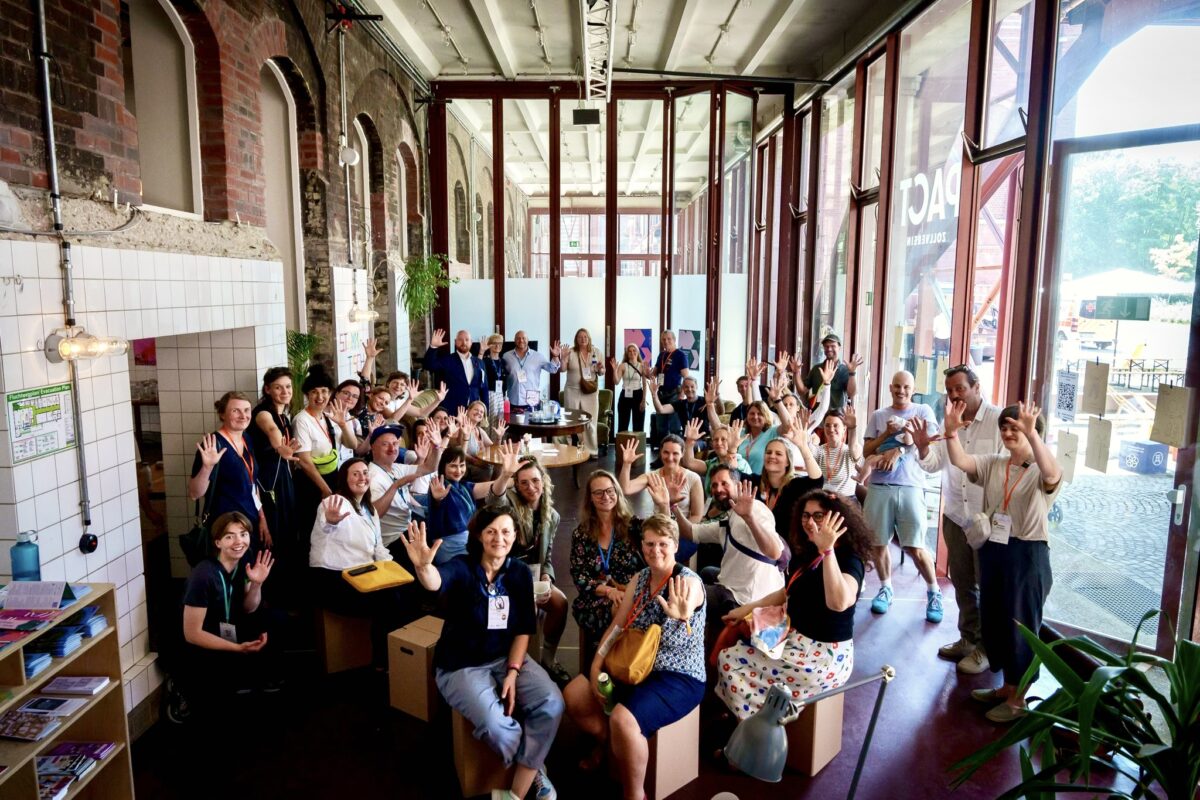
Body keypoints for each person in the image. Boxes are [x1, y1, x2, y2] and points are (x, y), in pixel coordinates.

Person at [402, 508, 565, 800]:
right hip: (460, 665)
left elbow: (523, 629)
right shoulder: (463, 567)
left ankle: (516, 790)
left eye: (506, 531)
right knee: (498, 728)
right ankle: (535, 767)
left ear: (515, 536)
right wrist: (424, 568)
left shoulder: (517, 573)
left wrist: (514, 671)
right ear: (479, 535)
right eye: (491, 531)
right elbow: (437, 580)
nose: (498, 538)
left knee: (552, 702)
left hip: (506, 657)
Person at [563, 513, 706, 800]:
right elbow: (617, 626)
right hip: (635, 664)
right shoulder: (640, 579)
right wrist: (596, 663)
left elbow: (688, 604)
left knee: (623, 719)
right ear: (642, 547)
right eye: (650, 544)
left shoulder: (687, 583)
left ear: (676, 546)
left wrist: (683, 614)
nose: (656, 551)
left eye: (663, 544)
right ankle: (608, 744)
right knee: (574, 694)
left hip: (676, 675)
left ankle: (634, 793)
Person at [938, 400, 1061, 724]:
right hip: (994, 549)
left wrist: (1034, 436)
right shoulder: (995, 463)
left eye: (1014, 427)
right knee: (995, 621)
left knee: (1022, 626)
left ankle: (1020, 700)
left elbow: (1051, 474)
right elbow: (961, 461)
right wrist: (950, 432)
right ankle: (1007, 687)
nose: (1007, 432)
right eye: (1004, 427)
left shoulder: (1041, 468)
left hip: (1027, 555)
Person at [714, 491, 870, 721]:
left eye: (819, 516)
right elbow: (786, 592)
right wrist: (745, 609)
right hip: (796, 639)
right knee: (737, 639)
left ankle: (752, 732)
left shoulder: (848, 558)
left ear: (836, 520)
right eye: (806, 515)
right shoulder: (807, 551)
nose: (809, 522)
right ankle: (752, 718)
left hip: (823, 658)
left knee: (729, 661)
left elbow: (839, 603)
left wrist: (828, 551)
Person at [913, 365, 1003, 675]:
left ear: (977, 387)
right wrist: (924, 446)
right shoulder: (948, 421)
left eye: (959, 389)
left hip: (987, 521)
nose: (953, 395)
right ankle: (968, 639)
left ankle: (987, 648)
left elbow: (1007, 471)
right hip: (955, 516)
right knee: (963, 583)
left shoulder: (998, 421)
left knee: (989, 588)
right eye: (949, 390)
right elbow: (934, 464)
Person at [653, 466, 784, 652]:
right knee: (706, 571)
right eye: (714, 485)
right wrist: (673, 506)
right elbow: (691, 532)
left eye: (724, 483)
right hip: (736, 584)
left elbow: (774, 552)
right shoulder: (728, 519)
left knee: (683, 589)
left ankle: (685, 645)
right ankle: (709, 635)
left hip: (745, 597)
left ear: (738, 486)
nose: (718, 489)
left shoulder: (756, 510)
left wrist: (749, 518)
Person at [309, 458, 413, 664]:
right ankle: (383, 660)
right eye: (355, 474)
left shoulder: (369, 509)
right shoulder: (333, 503)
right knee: (388, 602)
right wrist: (330, 521)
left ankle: (396, 655)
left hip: (364, 575)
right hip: (332, 579)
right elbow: (326, 525)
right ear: (344, 479)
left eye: (365, 473)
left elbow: (379, 547)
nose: (362, 478)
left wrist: (395, 572)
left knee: (403, 591)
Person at [862, 370, 943, 623]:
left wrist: (897, 450)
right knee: (878, 544)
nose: (901, 391)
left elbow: (927, 443)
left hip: (911, 487)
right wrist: (885, 435)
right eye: (897, 386)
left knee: (916, 547)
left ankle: (934, 591)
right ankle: (886, 588)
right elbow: (866, 451)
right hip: (879, 487)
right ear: (890, 387)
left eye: (906, 387)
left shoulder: (923, 412)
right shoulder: (878, 415)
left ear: (913, 388)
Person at [181, 511, 277, 703]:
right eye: (229, 536)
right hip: (201, 643)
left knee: (273, 619)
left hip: (225, 631)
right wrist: (237, 648)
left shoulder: (243, 562)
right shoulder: (204, 575)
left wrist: (257, 583)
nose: (238, 541)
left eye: (243, 534)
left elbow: (249, 608)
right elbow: (192, 634)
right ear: (218, 543)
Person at [499, 458, 571, 685]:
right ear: (516, 486)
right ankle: (522, 665)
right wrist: (504, 477)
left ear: (544, 481)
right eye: (524, 483)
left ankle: (547, 659)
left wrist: (547, 577)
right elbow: (495, 497)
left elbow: (547, 556)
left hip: (533, 574)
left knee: (560, 603)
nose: (531, 487)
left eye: (535, 481)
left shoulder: (552, 516)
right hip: (506, 575)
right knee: (528, 607)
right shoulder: (509, 506)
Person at [568, 471, 646, 667]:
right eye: (599, 493)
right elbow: (580, 577)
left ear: (618, 493)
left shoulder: (633, 526)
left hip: (631, 592)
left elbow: (662, 533)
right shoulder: (582, 533)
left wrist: (663, 505)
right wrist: (609, 591)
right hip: (595, 597)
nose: (605, 497)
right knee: (618, 608)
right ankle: (613, 662)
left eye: (610, 491)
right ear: (590, 499)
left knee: (629, 607)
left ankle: (618, 660)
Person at [189, 391, 273, 557]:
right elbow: (194, 493)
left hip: (249, 524)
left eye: (247, 410)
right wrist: (207, 467)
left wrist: (262, 518)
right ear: (222, 414)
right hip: (226, 528)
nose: (243, 416)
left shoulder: (247, 439)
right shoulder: (213, 444)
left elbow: (252, 484)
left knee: (250, 576)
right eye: (236, 411)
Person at [292, 363, 358, 552]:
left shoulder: (328, 416)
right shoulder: (302, 420)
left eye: (324, 391)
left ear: (330, 393)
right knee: (313, 530)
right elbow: (304, 461)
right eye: (314, 392)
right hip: (310, 482)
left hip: (331, 477)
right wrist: (325, 489)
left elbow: (353, 445)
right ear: (307, 395)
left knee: (330, 529)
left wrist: (343, 424)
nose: (320, 397)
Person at [427, 442, 520, 565]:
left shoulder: (464, 486)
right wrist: (438, 499)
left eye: (462, 465)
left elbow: (493, 486)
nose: (459, 470)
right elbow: (436, 505)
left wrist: (511, 477)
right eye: (453, 466)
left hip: (470, 541)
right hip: (449, 547)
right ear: (443, 467)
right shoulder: (438, 487)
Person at [368, 425, 438, 561]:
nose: (392, 448)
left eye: (395, 443)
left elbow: (429, 468)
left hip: (408, 528)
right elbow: (375, 514)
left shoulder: (394, 467)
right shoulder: (373, 477)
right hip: (392, 541)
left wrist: (436, 447)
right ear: (373, 448)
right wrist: (396, 486)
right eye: (385, 444)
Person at [617, 434, 704, 524]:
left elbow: (697, 516)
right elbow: (625, 489)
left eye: (675, 453)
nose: (670, 458)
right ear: (660, 453)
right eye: (666, 452)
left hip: (683, 529)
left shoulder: (693, 478)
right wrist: (626, 464)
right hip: (658, 527)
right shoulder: (653, 476)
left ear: (682, 453)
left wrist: (679, 532)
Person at [753, 437, 822, 544]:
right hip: (757, 545)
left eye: (778, 454)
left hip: (786, 551)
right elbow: (733, 475)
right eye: (768, 452)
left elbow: (817, 481)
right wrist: (731, 451)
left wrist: (803, 447)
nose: (772, 456)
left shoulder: (795, 486)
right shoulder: (755, 482)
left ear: (787, 462)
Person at [424, 328, 488, 412]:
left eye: (467, 340)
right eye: (460, 340)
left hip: (473, 411)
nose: (464, 342)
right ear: (455, 342)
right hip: (451, 409)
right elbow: (428, 365)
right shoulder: (447, 360)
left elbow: (484, 388)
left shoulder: (479, 363)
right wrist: (433, 347)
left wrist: (486, 412)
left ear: (471, 342)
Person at [562, 327, 603, 458]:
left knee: (590, 422)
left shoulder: (596, 351)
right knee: (570, 421)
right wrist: (562, 358)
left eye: (585, 337)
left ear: (589, 338)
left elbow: (602, 372)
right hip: (572, 391)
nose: (583, 339)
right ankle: (566, 451)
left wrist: (601, 369)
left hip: (590, 392)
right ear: (576, 339)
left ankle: (591, 451)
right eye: (580, 337)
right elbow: (562, 370)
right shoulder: (571, 352)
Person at [681, 419, 751, 494]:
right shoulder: (712, 463)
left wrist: (732, 450)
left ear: (732, 440)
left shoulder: (741, 464)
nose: (719, 443)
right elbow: (688, 462)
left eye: (723, 439)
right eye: (716, 440)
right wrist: (689, 441)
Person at [502, 331, 562, 412]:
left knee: (530, 424)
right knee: (513, 424)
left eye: (524, 338)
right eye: (518, 338)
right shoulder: (506, 356)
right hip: (512, 401)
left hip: (532, 402)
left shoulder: (538, 356)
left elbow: (553, 369)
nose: (521, 340)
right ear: (514, 340)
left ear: (528, 340)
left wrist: (555, 356)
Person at [812, 407, 864, 498]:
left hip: (847, 501)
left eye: (836, 425)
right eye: (827, 425)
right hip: (825, 499)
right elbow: (807, 452)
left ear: (844, 429)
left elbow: (854, 447)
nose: (831, 429)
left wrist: (852, 428)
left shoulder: (850, 450)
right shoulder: (819, 450)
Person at [650, 330, 690, 445]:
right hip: (660, 394)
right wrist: (648, 372)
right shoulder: (661, 355)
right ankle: (663, 455)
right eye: (663, 339)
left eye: (669, 339)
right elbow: (654, 374)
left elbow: (686, 377)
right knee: (661, 428)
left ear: (674, 340)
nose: (666, 341)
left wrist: (682, 394)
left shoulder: (680, 355)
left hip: (674, 395)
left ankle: (677, 454)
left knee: (674, 428)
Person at [803, 333, 862, 411]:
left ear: (839, 348)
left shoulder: (844, 370)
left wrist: (852, 373)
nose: (829, 349)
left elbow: (851, 394)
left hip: (836, 416)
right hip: (816, 415)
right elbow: (802, 390)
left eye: (833, 346)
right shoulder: (816, 369)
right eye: (826, 346)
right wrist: (796, 372)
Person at [645, 374, 708, 442]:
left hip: (702, 438)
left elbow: (720, 410)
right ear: (683, 389)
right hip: (686, 438)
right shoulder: (681, 404)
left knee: (688, 446)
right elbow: (661, 410)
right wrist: (654, 395)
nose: (689, 389)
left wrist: (714, 400)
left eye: (692, 387)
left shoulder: (705, 401)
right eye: (686, 387)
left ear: (697, 387)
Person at [455, 400, 502, 482]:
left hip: (481, 463)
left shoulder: (479, 430)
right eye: (476, 410)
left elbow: (493, 448)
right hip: (467, 464)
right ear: (468, 411)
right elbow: (459, 451)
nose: (479, 413)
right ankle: (487, 490)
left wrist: (499, 437)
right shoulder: (461, 427)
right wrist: (475, 462)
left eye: (481, 412)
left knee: (501, 466)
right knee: (487, 470)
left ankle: (493, 489)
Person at [609, 344, 646, 433]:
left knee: (638, 425)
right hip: (625, 395)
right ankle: (622, 445)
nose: (632, 352)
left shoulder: (642, 366)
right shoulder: (623, 365)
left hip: (638, 394)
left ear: (637, 353)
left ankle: (637, 446)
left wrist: (643, 400)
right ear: (627, 353)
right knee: (623, 424)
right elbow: (616, 382)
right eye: (629, 351)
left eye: (634, 350)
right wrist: (614, 370)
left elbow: (645, 385)